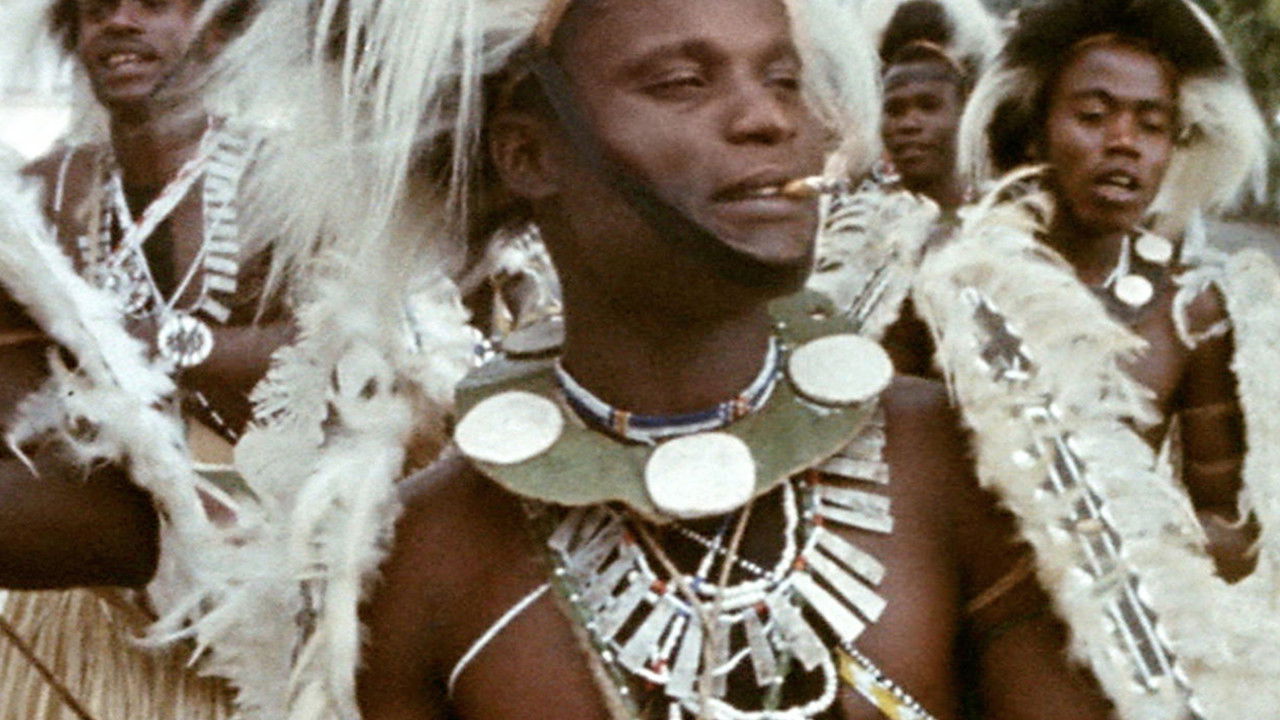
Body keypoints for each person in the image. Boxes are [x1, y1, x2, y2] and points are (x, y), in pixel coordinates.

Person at [350, 0, 1112, 718]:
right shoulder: (425, 556)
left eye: (785, 79)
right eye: (683, 83)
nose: (769, 118)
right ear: (528, 154)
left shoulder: (957, 465)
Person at [910, 0, 1280, 716]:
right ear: (1037, 130)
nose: (1124, 143)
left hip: (1107, 655)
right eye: (1094, 115)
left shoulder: (1191, 311)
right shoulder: (949, 281)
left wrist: (1134, 541)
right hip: (946, 628)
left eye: (1152, 125)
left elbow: (1229, 529)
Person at [807, 0, 998, 376]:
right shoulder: (852, 230)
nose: (909, 123)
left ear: (966, 114)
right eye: (894, 109)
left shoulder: (1006, 225)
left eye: (928, 106)